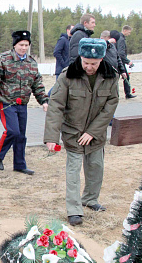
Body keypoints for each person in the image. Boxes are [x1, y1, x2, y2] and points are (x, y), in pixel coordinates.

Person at [44, 38, 119, 226]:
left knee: (96, 168)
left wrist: (93, 132)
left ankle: (90, 199)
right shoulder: (67, 75)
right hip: (73, 133)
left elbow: (110, 105)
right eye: (85, 62)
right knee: (73, 171)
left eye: (93, 63)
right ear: (80, 57)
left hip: (97, 134)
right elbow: (55, 106)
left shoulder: (111, 76)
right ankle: (74, 210)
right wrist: (51, 137)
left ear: (101, 59)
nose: (89, 67)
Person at [0, 30, 49, 175]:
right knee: (12, 131)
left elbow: (37, 84)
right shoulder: (3, 59)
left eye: (26, 45)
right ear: (15, 45)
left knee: (21, 135)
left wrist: (44, 101)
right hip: (6, 102)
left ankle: (20, 164)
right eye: (21, 45)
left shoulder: (31, 63)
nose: (23, 48)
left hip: (22, 104)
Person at [49, 24, 73, 96]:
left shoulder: (71, 41)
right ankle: (47, 99)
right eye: (73, 29)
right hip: (61, 69)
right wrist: (64, 64)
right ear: (68, 30)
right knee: (58, 87)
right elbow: (56, 52)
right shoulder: (63, 40)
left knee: (63, 88)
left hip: (68, 69)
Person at [116, 25, 136, 99]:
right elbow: (121, 53)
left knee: (124, 77)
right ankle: (127, 94)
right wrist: (128, 61)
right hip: (120, 62)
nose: (129, 33)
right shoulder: (121, 39)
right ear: (124, 30)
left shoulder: (120, 38)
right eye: (129, 32)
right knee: (124, 77)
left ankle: (127, 94)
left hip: (119, 61)